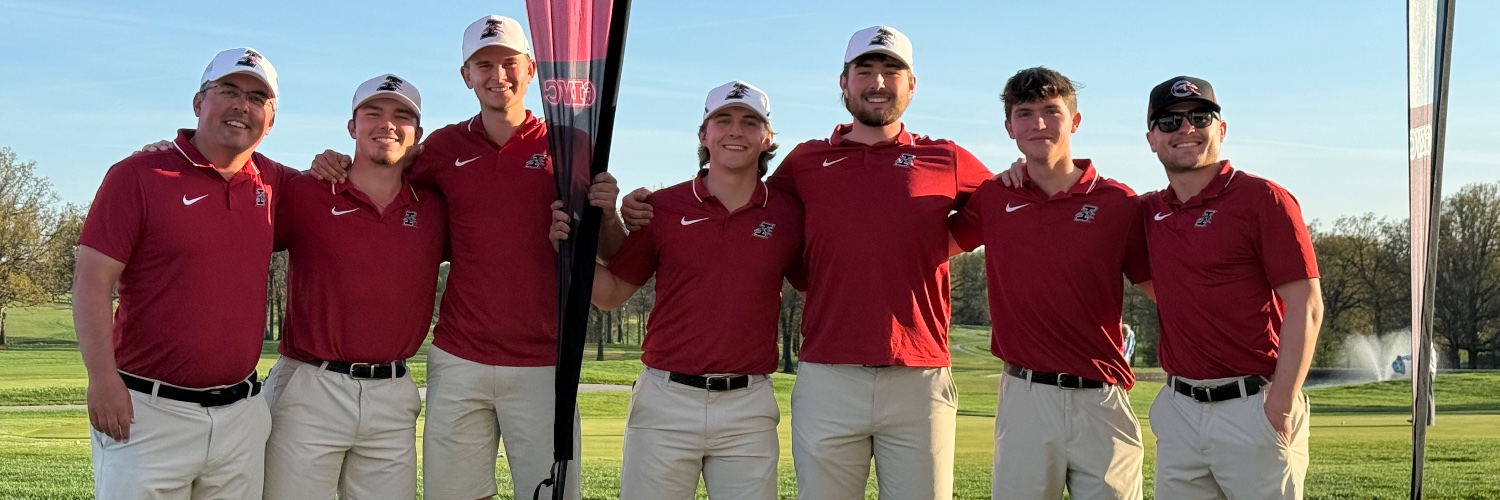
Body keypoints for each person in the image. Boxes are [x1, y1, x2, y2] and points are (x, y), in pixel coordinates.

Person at [623, 26, 991, 500]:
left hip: (918, 375)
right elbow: (745, 204)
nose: (878, 82)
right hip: (828, 374)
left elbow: (1003, 209)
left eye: (891, 71)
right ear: (844, 82)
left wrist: (931, 246)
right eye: (865, 71)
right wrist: (647, 206)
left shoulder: (945, 157)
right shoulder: (806, 162)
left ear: (912, 85)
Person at [308, 15, 624, 500]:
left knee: (552, 493)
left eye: (508, 63)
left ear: (533, 68)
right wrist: (338, 161)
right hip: (458, 357)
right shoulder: (443, 147)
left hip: (543, 361)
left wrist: (608, 214)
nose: (498, 75)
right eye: (484, 64)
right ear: (466, 76)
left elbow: (612, 250)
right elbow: (382, 171)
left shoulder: (572, 144)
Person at [555, 81, 801, 500]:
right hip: (665, 401)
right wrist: (566, 250)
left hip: (748, 407)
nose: (735, 131)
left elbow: (821, 284)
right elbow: (610, 293)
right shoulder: (664, 208)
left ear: (768, 138)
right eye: (722, 120)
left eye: (749, 122)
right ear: (704, 136)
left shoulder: (790, 214)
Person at [73, 47, 297, 498]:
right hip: (146, 412)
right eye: (229, 91)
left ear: (270, 120)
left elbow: (354, 189)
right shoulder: (138, 175)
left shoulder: (279, 184)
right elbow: (92, 283)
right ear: (199, 103)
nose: (242, 106)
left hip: (241, 416)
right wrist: (101, 380)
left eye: (257, 98)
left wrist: (341, 160)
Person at [950, 67, 1149, 499]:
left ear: (1074, 121)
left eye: (1050, 111)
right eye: (1024, 113)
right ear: (1009, 127)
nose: (1038, 123)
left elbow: (1165, 289)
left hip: (1102, 398)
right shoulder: (995, 196)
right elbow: (931, 247)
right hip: (1025, 397)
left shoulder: (1119, 203)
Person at [260, 74, 446, 499]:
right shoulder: (306, 192)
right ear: (352, 127)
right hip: (311, 385)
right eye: (373, 114)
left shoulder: (434, 207)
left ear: (417, 134)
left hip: (394, 393)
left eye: (402, 116)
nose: (387, 124)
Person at [1140, 76, 1322, 499]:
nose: (1186, 129)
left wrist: (1279, 403)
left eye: (1200, 117)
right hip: (1179, 410)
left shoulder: (1264, 199)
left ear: (1221, 129)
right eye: (1169, 122)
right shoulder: (1148, 211)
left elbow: (1306, 305)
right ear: (1151, 139)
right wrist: (1028, 167)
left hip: (1253, 404)